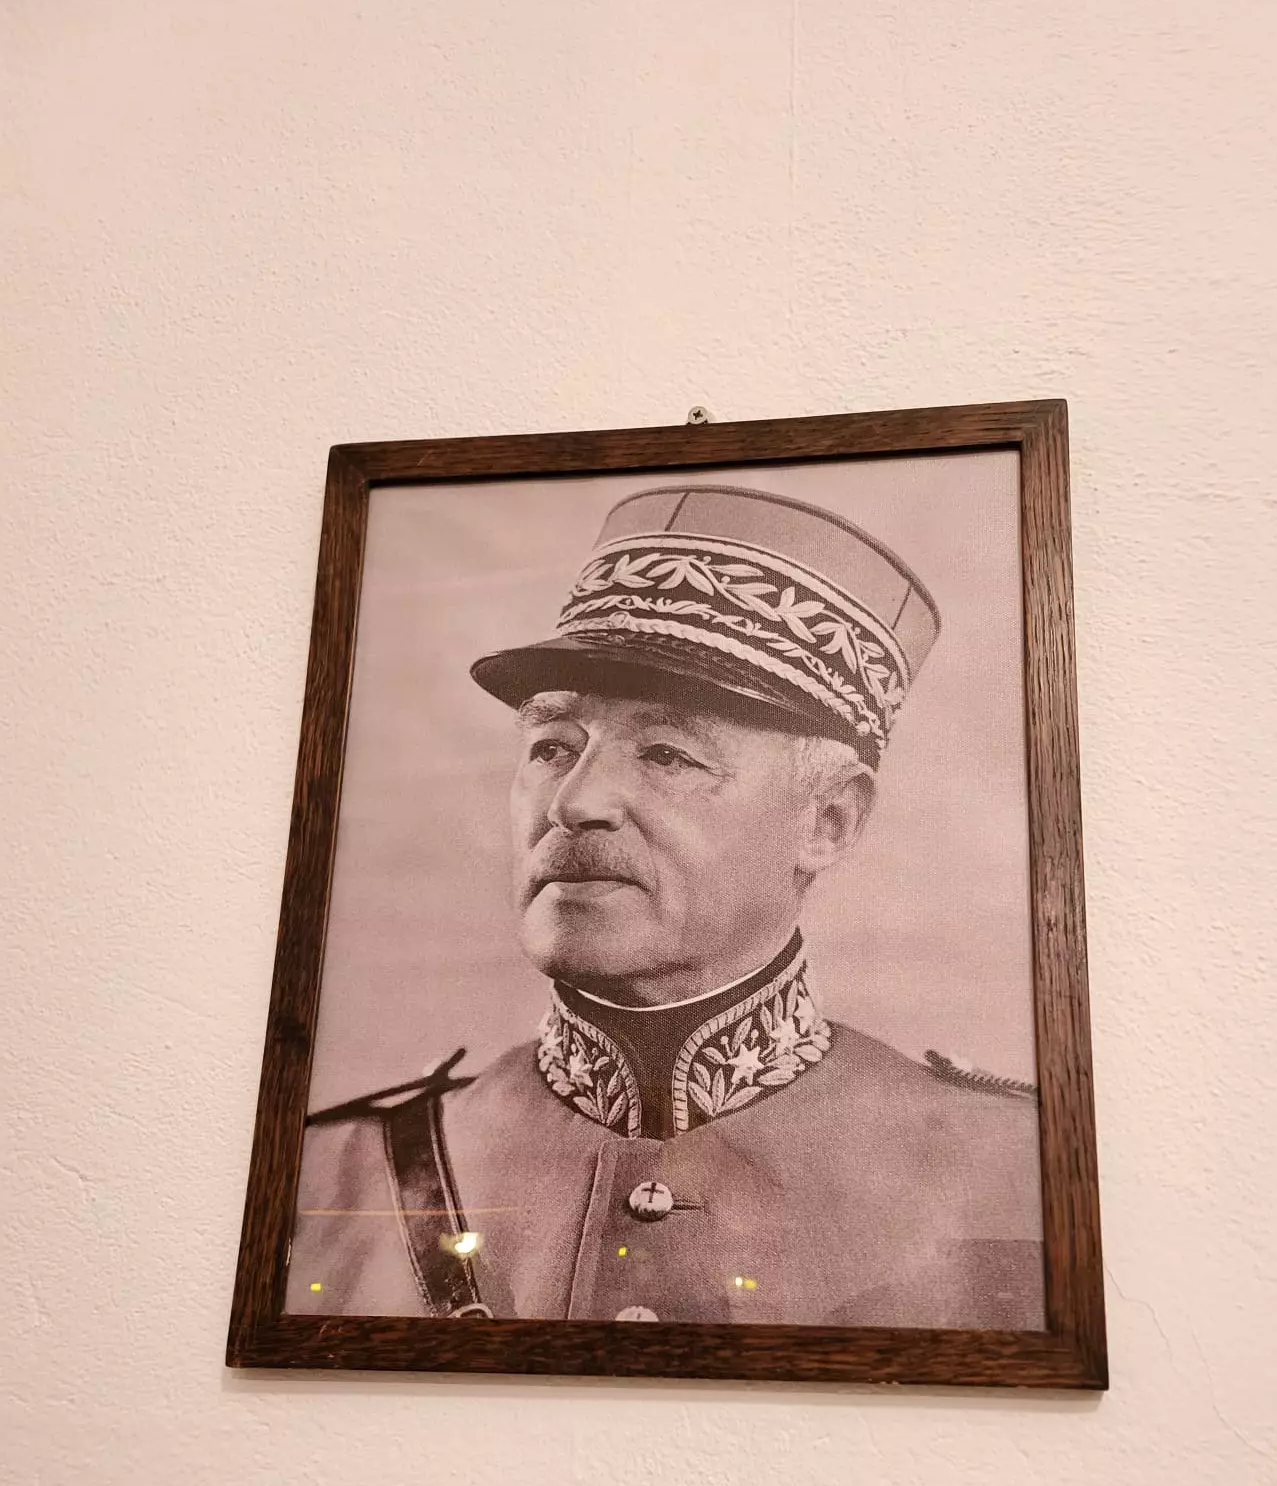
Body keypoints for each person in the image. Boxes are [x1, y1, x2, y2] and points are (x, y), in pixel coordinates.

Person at [285, 483, 1044, 1329]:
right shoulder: (332, 1175)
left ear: (827, 821)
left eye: (667, 754)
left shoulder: (1019, 1172)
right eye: (552, 746)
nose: (574, 803)